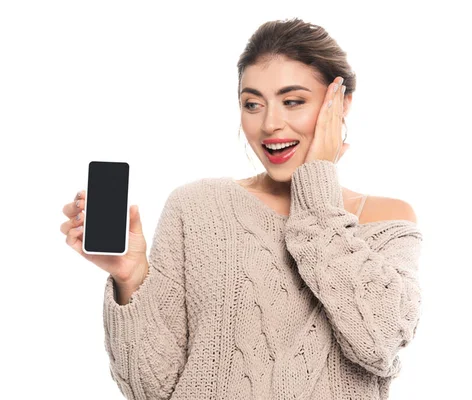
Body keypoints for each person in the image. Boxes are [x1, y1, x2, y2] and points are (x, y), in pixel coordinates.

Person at [60, 17, 423, 400]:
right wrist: (131, 276)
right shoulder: (196, 206)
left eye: (293, 101)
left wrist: (317, 188)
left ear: (341, 104)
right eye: (253, 104)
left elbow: (380, 340)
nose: (270, 123)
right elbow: (152, 389)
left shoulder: (386, 220)